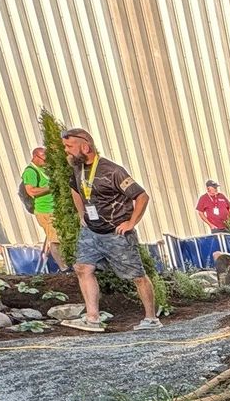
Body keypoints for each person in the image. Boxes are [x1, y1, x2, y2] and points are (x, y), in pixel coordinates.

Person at [58, 126, 161, 333]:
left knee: (137, 276)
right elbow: (75, 189)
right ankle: (92, 317)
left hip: (116, 232)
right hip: (91, 231)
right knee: (82, 268)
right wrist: (81, 215)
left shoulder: (112, 171)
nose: (66, 151)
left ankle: (151, 318)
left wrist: (131, 223)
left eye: (69, 146)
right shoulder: (77, 169)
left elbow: (142, 196)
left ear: (85, 147)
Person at [21, 147, 63, 270]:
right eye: (44, 159)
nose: (46, 162)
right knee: (55, 240)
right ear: (35, 157)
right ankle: (64, 268)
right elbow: (31, 191)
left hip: (55, 208)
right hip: (45, 210)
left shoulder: (44, 169)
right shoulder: (30, 172)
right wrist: (50, 188)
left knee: (61, 238)